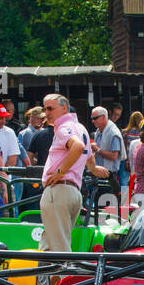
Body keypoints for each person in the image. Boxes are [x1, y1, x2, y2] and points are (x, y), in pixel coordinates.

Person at [39, 94, 89, 252]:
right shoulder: (81, 128)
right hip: (71, 191)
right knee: (48, 248)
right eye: (45, 108)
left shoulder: (64, 128)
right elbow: (89, 155)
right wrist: (94, 169)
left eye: (50, 108)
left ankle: (64, 277)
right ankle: (48, 277)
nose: (47, 112)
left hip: (60, 190)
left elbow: (78, 147)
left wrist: (60, 172)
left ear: (64, 108)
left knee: (59, 251)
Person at [91, 106, 125, 207]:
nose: (93, 121)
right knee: (100, 208)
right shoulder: (99, 131)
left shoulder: (113, 132)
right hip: (99, 176)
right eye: (92, 118)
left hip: (109, 177)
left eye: (95, 118)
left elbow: (114, 156)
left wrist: (97, 150)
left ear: (103, 117)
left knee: (106, 210)